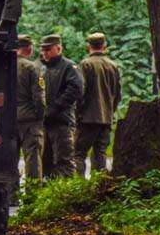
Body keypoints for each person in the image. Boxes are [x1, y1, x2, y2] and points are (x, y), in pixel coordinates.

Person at [76, 32, 122, 174]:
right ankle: (99, 186)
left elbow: (80, 92)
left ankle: (80, 187)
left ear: (88, 46)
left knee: (78, 153)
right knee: (100, 152)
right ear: (105, 46)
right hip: (106, 118)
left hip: (87, 118)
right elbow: (117, 94)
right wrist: (110, 111)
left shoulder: (85, 64)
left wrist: (77, 114)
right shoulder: (113, 66)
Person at [40, 34, 84, 178]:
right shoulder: (42, 68)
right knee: (45, 161)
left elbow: (76, 88)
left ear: (58, 48)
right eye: (43, 50)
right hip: (45, 122)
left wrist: (56, 107)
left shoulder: (68, 66)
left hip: (62, 122)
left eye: (48, 49)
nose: (45, 53)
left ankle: (66, 194)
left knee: (64, 161)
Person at [16, 35, 46, 180]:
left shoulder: (5, 65)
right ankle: (32, 195)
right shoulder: (31, 67)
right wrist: (40, 116)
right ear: (29, 48)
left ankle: (10, 194)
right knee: (32, 157)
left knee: (10, 157)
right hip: (29, 119)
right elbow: (39, 96)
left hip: (8, 119)